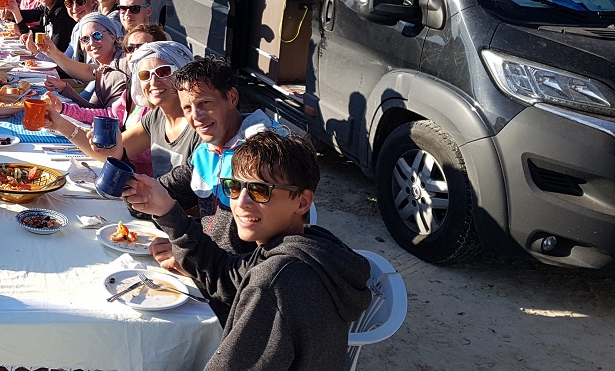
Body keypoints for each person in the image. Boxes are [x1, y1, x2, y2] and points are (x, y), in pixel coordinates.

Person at [125, 131, 372, 371]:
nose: (240, 203)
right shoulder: (310, 248)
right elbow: (225, 274)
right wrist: (168, 210)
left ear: (302, 202)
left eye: (259, 190)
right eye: (233, 187)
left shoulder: (274, 282)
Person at [129, 56, 273, 312]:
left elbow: (263, 260)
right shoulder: (209, 150)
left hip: (239, 298)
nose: (196, 117)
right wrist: (132, 188)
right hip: (208, 273)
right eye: (187, 108)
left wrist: (190, 258)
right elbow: (162, 191)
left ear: (231, 98)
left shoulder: (263, 157)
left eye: (204, 103)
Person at [46, 40, 195, 176]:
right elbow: (111, 154)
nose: (154, 81)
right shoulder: (156, 118)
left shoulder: (198, 124)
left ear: (183, 74)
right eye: (144, 75)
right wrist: (60, 125)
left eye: (163, 72)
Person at [40, 13, 127, 121]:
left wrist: (64, 109)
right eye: (85, 39)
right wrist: (65, 89)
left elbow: (111, 118)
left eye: (97, 35)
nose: (92, 43)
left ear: (112, 37)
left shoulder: (120, 68)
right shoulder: (103, 68)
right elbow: (93, 108)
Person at [4, 0, 76, 53]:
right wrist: (13, 11)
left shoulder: (61, 13)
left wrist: (35, 50)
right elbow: (35, 25)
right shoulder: (48, 7)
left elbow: (58, 50)